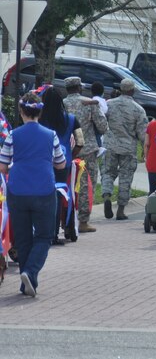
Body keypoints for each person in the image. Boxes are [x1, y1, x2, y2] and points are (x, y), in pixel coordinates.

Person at [0, 92, 66, 297]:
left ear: (21, 112)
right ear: (40, 112)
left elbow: (2, 166)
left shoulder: (13, 135)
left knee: (23, 238)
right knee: (44, 236)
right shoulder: (51, 135)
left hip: (18, 190)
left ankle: (27, 282)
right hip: (44, 189)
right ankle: (30, 272)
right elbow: (61, 163)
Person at [39, 86, 85, 242]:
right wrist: (71, 156)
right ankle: (54, 233)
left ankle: (40, 230)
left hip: (42, 162)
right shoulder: (71, 119)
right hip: (63, 163)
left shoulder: (39, 118)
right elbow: (80, 142)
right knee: (59, 196)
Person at [63, 77, 108, 232]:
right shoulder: (89, 103)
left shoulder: (62, 103)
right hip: (87, 150)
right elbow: (102, 127)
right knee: (86, 185)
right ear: (80, 88)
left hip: (66, 151)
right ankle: (83, 221)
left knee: (67, 184)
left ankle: (65, 220)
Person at [102, 79, 148, 220]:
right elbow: (142, 133)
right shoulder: (138, 109)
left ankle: (106, 196)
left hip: (110, 145)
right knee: (125, 178)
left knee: (107, 172)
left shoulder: (109, 105)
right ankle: (121, 210)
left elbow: (102, 122)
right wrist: (144, 148)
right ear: (132, 90)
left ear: (121, 89)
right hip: (128, 148)